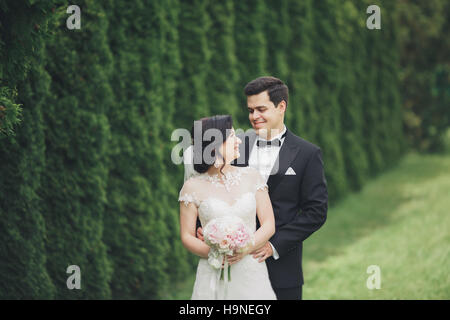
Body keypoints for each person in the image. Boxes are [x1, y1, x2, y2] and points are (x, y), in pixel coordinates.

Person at [196, 76, 328, 300]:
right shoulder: (234, 147)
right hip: (231, 267)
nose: (254, 117)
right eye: (250, 110)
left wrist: (273, 246)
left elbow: (316, 211)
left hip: (282, 267)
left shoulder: (307, 154)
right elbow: (211, 188)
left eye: (261, 109)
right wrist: (205, 227)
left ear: (281, 107)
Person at [179, 115, 277, 300]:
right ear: (215, 144)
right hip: (214, 268)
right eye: (232, 136)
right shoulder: (191, 187)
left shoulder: (252, 177)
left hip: (251, 269)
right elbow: (186, 236)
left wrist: (244, 249)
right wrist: (216, 253)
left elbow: (269, 223)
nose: (239, 140)